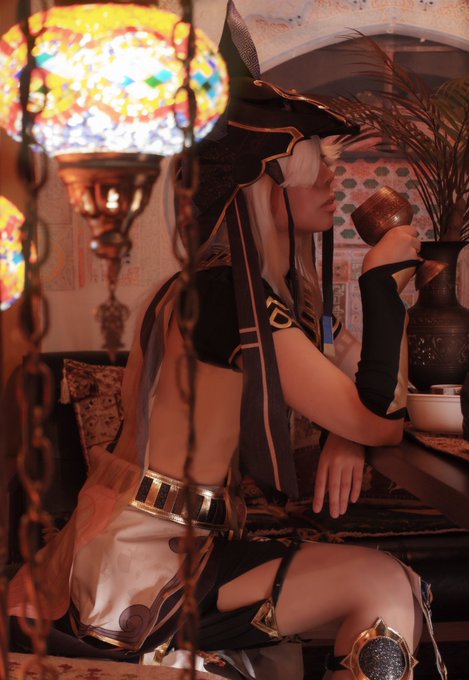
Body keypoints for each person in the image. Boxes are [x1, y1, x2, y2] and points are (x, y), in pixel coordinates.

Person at [8, 73, 448, 680]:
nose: (332, 181)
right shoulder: (225, 299)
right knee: (383, 585)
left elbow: (354, 393)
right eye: (313, 169)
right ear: (263, 186)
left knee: (384, 581)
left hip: (171, 545)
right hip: (148, 562)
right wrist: (381, 286)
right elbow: (380, 420)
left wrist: (345, 434)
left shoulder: (230, 292)